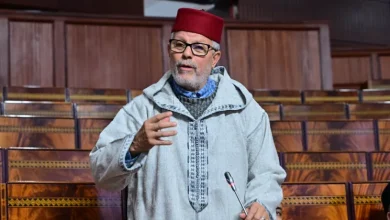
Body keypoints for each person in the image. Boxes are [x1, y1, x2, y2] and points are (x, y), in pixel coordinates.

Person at [89, 8, 286, 220]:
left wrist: (261, 203)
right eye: (179, 44)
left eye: (199, 48)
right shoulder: (143, 108)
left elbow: (267, 174)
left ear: (214, 58)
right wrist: (135, 146)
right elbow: (102, 175)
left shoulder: (245, 110)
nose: (187, 53)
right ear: (169, 50)